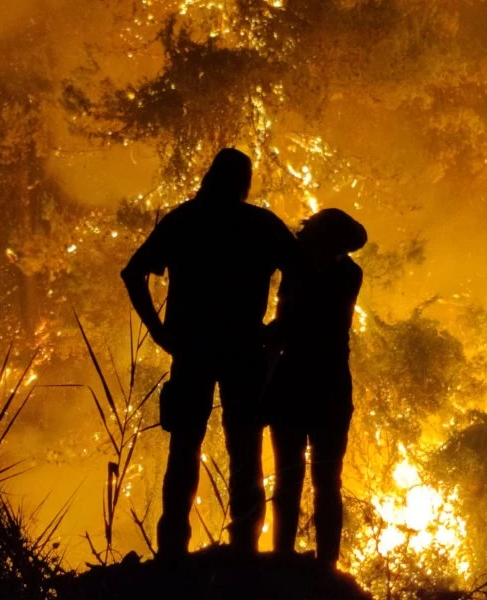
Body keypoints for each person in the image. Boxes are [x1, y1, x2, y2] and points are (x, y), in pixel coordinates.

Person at [121, 148, 301, 559]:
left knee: (184, 447)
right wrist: (280, 328)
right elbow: (306, 270)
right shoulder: (260, 224)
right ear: (244, 182)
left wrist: (159, 331)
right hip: (246, 351)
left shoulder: (184, 221)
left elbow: (133, 273)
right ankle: (244, 553)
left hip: (192, 349)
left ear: (209, 177)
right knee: (245, 450)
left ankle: (172, 555)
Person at [265, 208, 366, 569]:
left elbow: (288, 323)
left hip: (301, 382)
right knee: (315, 478)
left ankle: (298, 561)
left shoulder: (313, 273)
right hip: (328, 385)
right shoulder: (347, 273)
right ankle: (316, 564)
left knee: (302, 477)